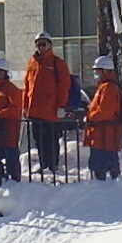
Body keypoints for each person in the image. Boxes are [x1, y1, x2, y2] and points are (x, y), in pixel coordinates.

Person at [23, 34, 73, 177]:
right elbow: (27, 86)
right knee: (39, 140)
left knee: (51, 140)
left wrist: (61, 106)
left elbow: (64, 86)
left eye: (44, 44)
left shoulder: (58, 63)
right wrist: (25, 106)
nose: (41, 47)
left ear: (50, 45)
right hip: (34, 110)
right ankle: (43, 164)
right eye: (38, 44)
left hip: (50, 111)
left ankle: (52, 165)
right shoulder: (32, 62)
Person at [82, 56, 122, 181]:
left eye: (98, 71)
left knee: (101, 165)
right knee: (106, 162)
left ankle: (107, 185)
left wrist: (90, 117)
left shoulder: (108, 88)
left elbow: (105, 111)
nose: (95, 74)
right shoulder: (105, 87)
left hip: (104, 134)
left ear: (105, 70)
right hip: (102, 134)